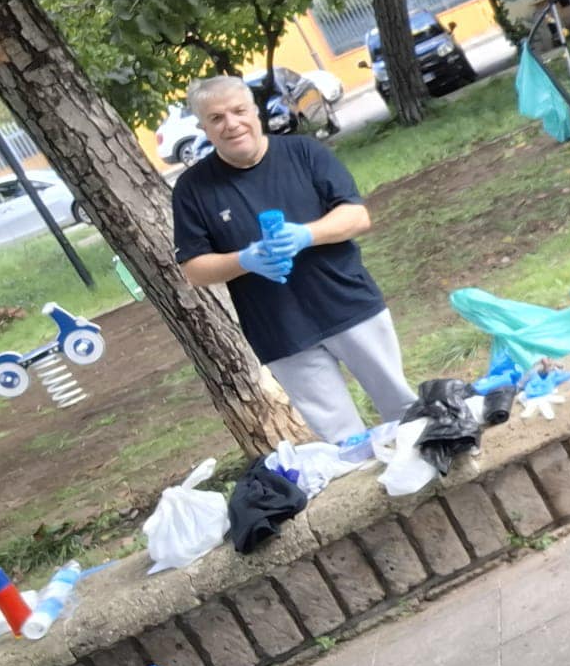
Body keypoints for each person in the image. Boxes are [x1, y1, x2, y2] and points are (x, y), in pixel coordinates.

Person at [172, 76, 413, 441]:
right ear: (203, 127)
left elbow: (357, 216)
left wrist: (306, 235)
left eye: (239, 111)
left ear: (255, 111)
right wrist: (245, 260)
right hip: (280, 331)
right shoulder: (192, 189)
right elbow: (193, 269)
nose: (232, 124)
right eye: (216, 118)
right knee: (343, 440)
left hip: (349, 304)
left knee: (405, 412)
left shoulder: (304, 153)